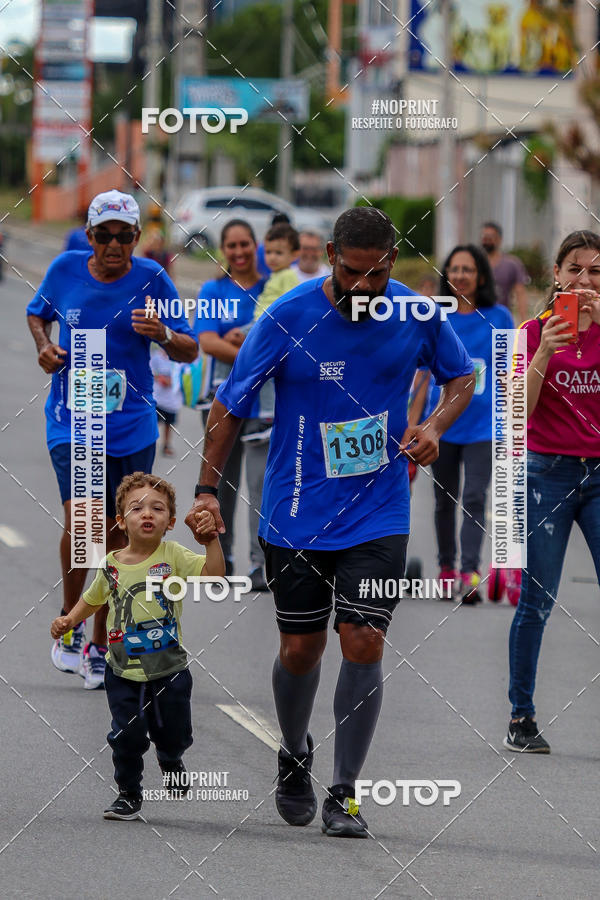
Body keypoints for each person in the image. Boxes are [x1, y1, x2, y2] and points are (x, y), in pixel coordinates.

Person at [185, 207, 475, 837]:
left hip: (379, 510)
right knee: (299, 648)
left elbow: (463, 378)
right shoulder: (286, 318)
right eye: (352, 274)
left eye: (378, 275)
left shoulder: (416, 314)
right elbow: (230, 406)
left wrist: (433, 427)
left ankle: (345, 791)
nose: (366, 289)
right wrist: (207, 490)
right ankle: (293, 754)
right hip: (297, 514)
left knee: (364, 641)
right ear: (333, 258)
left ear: (392, 262)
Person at [27, 189, 198, 689]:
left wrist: (163, 334)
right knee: (86, 522)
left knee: (120, 534)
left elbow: (188, 349)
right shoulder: (65, 270)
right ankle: (70, 621)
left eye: (125, 237)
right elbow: (37, 313)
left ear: (137, 238)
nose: (115, 246)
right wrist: (44, 345)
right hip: (73, 419)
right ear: (90, 237)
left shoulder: (154, 280)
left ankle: (100, 645)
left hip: (132, 424)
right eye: (105, 237)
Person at [50, 472, 225, 820]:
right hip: (122, 670)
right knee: (126, 735)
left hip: (169, 669)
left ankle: (171, 759)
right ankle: (128, 793)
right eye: (137, 508)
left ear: (171, 522)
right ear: (121, 521)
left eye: (157, 509)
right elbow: (93, 599)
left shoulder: (173, 555)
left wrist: (209, 542)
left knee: (174, 733)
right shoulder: (111, 566)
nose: (147, 514)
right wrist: (70, 619)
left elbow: (214, 576)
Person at [504, 229, 600, 753]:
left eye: (597, 272)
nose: (585, 281)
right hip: (548, 474)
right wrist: (543, 352)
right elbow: (518, 411)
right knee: (537, 601)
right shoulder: (531, 332)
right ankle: (522, 715)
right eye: (575, 270)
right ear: (556, 276)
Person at [433, 245, 514, 603]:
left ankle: (469, 571)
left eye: (467, 269)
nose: (460, 275)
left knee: (475, 496)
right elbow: (422, 375)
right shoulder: (435, 316)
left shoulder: (499, 316)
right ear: (446, 275)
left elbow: (511, 374)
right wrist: (413, 421)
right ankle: (446, 568)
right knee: (443, 499)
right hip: (442, 424)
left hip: (485, 425)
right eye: (454, 269)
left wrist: (514, 423)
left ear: (481, 276)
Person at [193, 219, 268, 587]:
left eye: (245, 244)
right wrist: (255, 353)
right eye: (232, 246)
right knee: (222, 486)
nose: (239, 252)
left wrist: (239, 345)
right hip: (221, 402)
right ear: (223, 250)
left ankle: (260, 564)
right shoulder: (212, 289)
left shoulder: (273, 286)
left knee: (261, 486)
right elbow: (207, 342)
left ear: (256, 246)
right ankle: (222, 562)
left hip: (265, 404)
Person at [481, 221, 530, 321]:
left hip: (502, 321)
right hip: (479, 320)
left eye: (490, 237)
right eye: (484, 237)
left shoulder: (512, 264)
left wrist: (524, 323)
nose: (487, 240)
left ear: (499, 239)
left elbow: (520, 293)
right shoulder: (474, 263)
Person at [151, 346, 183, 456]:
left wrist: (172, 381)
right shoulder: (156, 357)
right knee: (154, 423)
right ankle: (151, 444)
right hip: (157, 398)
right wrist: (160, 378)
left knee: (169, 424)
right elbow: (150, 371)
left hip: (172, 400)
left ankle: (166, 445)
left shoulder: (178, 360)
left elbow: (183, 375)